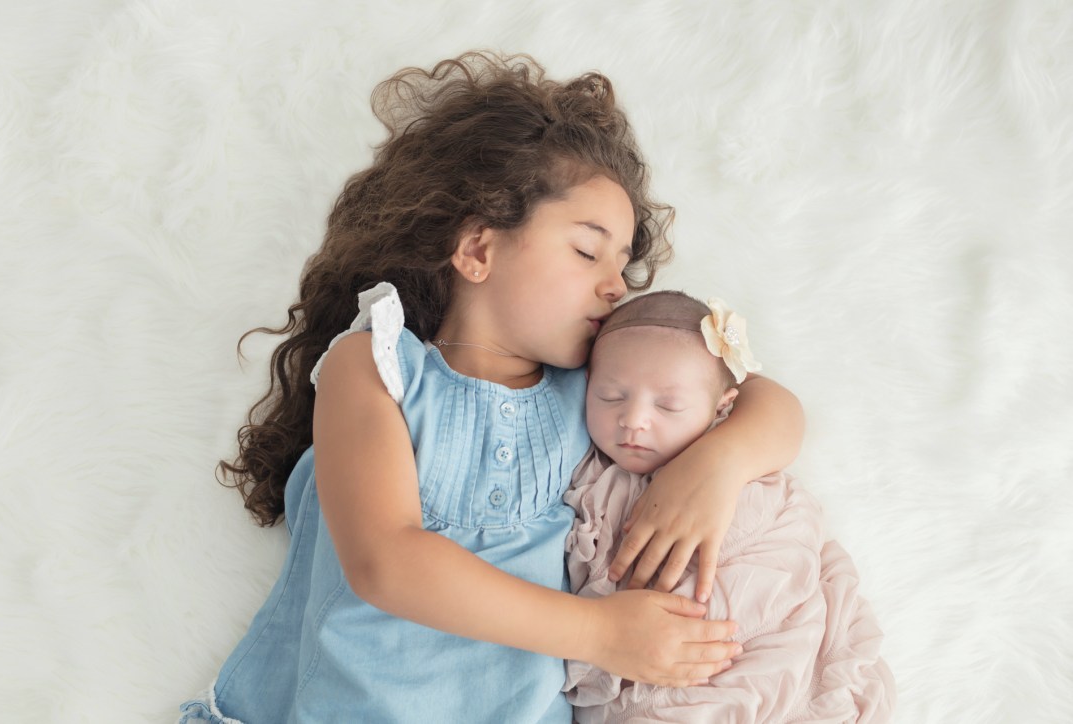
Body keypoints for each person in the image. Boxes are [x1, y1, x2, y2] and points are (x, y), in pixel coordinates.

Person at [179, 52, 805, 723]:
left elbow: (769, 402)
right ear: (478, 249)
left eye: (624, 263)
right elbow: (386, 562)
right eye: (588, 250)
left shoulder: (596, 392)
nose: (616, 284)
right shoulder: (376, 368)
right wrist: (603, 635)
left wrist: (719, 463)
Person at [564, 291, 895, 722]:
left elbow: (797, 542)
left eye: (668, 405)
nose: (634, 419)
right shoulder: (591, 475)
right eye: (610, 396)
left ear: (721, 407)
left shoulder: (745, 463)